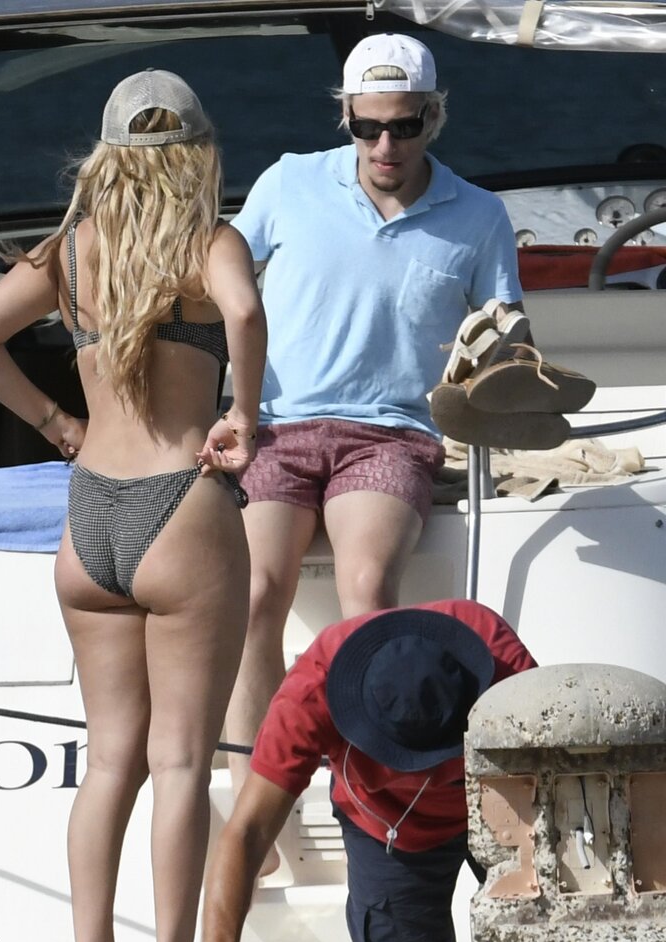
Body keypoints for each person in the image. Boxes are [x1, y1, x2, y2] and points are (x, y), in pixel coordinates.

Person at [0, 70, 266, 942]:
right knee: (182, 762)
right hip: (182, 508)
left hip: (88, 517)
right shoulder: (208, 242)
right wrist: (244, 415)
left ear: (106, 154)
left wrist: (56, 423)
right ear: (198, 153)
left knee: (108, 761)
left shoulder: (70, 253)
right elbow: (244, 313)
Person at [223, 33, 529, 808]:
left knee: (367, 590)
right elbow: (217, 272)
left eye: (404, 125)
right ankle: (255, 806)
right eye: (367, 126)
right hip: (277, 427)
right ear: (347, 118)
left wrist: (503, 359)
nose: (385, 145)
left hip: (391, 434)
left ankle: (367, 798)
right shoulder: (288, 182)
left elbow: (509, 332)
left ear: (434, 117)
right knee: (253, 594)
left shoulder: (479, 214)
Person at [192, 599, 537, 942]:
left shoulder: (505, 668)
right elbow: (248, 830)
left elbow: (562, 790)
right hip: (388, 828)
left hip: (506, 807)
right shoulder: (311, 692)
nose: (430, 773)